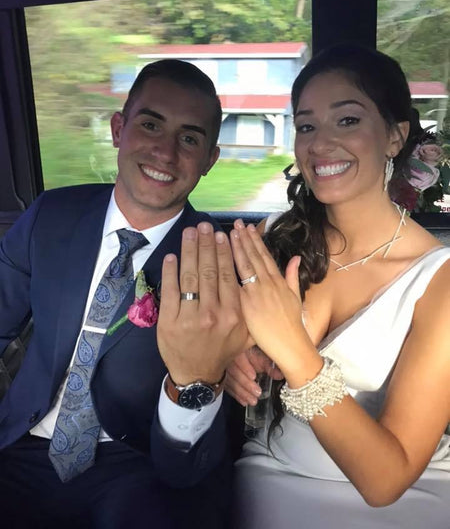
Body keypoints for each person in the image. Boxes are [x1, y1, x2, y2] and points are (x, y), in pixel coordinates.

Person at [0, 59, 248, 529]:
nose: (165, 152)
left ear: (210, 160)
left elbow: (204, 438)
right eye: (151, 124)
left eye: (190, 138)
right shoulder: (51, 215)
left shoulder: (224, 261)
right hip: (20, 443)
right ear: (119, 129)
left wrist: (198, 378)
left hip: (142, 464)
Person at [225, 45, 450, 528]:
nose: (320, 143)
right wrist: (232, 362)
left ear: (395, 136)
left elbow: (386, 481)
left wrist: (294, 353)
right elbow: (230, 352)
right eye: (306, 126)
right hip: (274, 473)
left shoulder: (440, 279)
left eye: (346, 121)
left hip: (408, 492)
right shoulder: (273, 239)